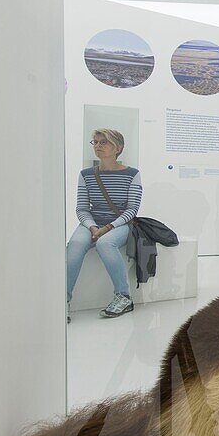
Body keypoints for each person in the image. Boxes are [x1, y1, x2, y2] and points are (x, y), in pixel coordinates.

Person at [66, 129, 143, 320]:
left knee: (105, 243)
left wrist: (108, 228)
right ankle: (63, 301)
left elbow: (132, 209)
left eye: (103, 142)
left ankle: (124, 296)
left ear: (118, 148)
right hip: (92, 223)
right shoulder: (86, 174)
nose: (98, 146)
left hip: (120, 224)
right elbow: (82, 208)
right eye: (95, 142)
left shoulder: (132, 174)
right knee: (75, 245)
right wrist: (92, 227)